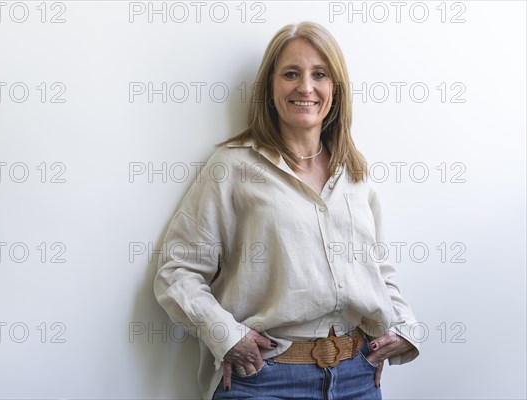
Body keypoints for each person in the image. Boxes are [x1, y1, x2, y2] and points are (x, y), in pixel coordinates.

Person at [154, 21, 420, 399]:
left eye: (320, 75)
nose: (305, 87)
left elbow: (379, 271)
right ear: (270, 88)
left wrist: (406, 329)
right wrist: (225, 335)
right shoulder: (232, 167)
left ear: (336, 90)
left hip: (357, 379)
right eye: (291, 74)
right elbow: (177, 271)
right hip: (263, 380)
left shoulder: (356, 174)